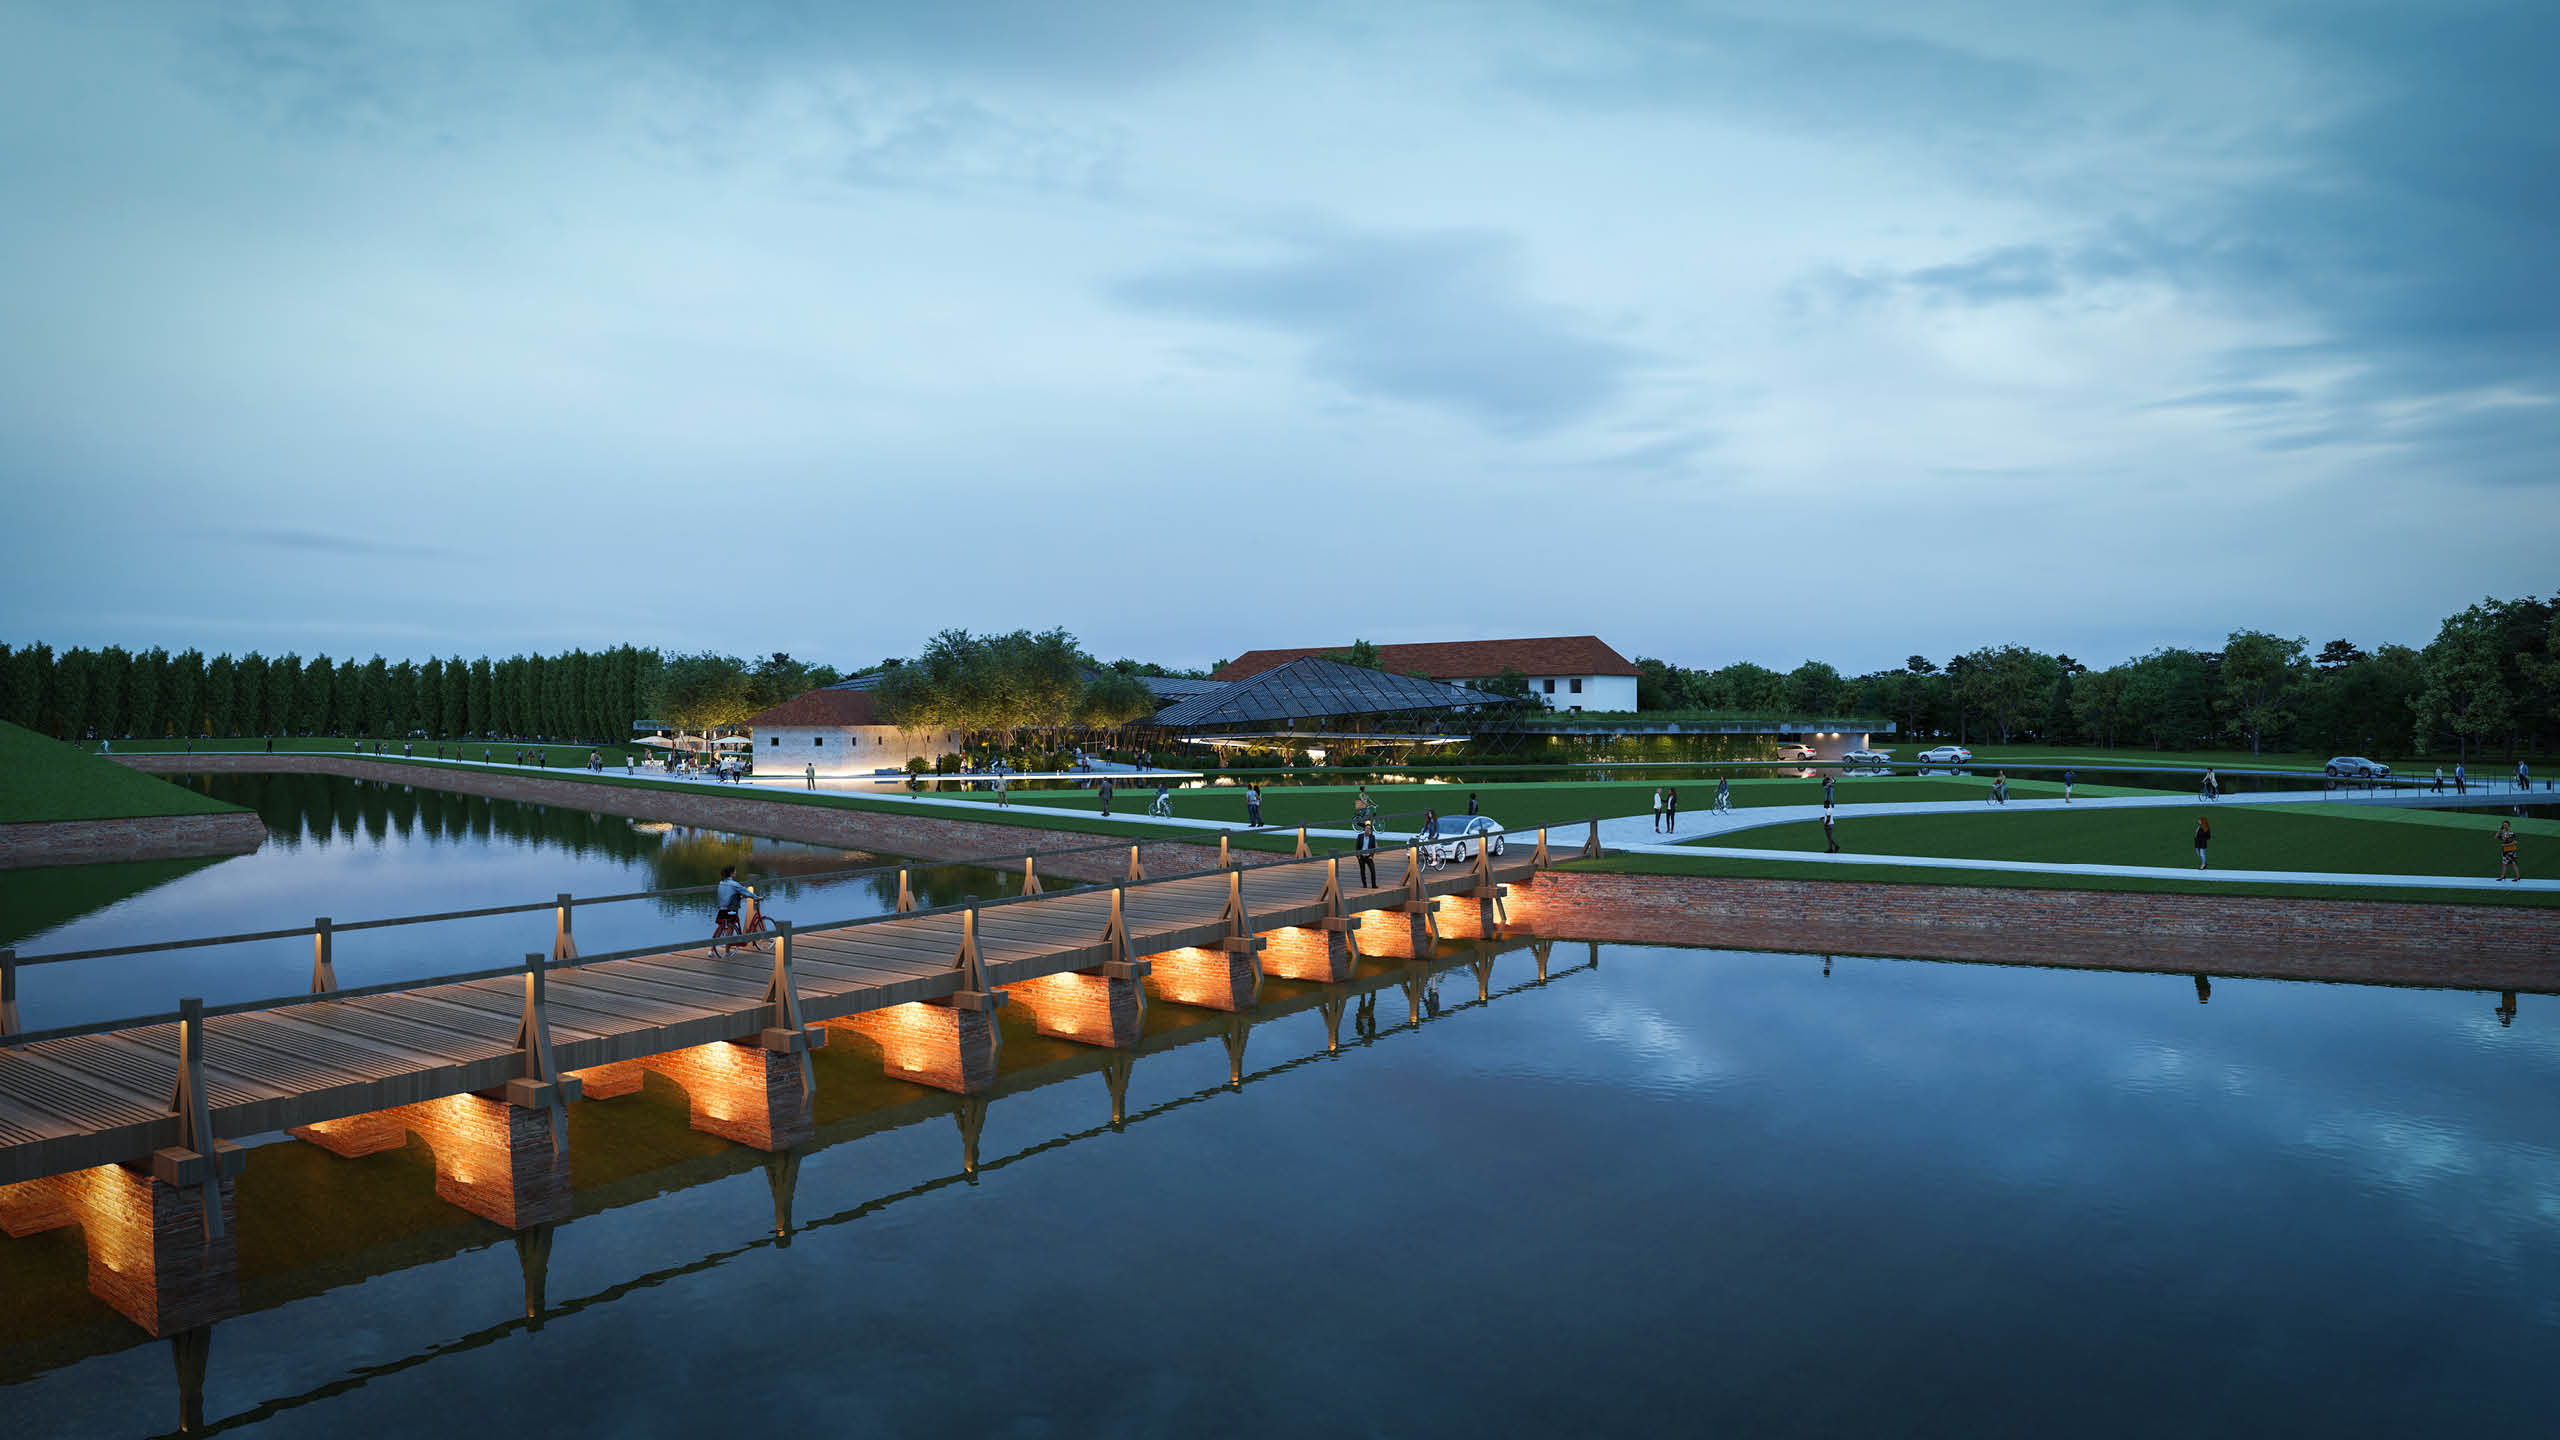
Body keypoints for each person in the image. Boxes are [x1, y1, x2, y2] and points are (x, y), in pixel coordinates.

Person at [711, 865, 751, 956]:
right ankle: (727, 951)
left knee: (720, 929)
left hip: (722, 909)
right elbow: (745, 891)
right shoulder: (734, 884)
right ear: (731, 873)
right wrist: (755, 897)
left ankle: (711, 950)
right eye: (735, 871)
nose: (736, 873)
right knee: (730, 929)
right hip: (731, 910)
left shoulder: (721, 883)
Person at [1356, 819, 1379, 888]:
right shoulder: (1360, 836)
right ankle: (1364, 885)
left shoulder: (1372, 837)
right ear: (1364, 829)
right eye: (1367, 828)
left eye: (1369, 829)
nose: (1368, 830)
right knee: (1362, 871)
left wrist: (1372, 856)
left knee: (1372, 870)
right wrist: (1358, 856)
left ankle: (1373, 885)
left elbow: (1373, 848)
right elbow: (1357, 847)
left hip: (1369, 856)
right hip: (1361, 857)